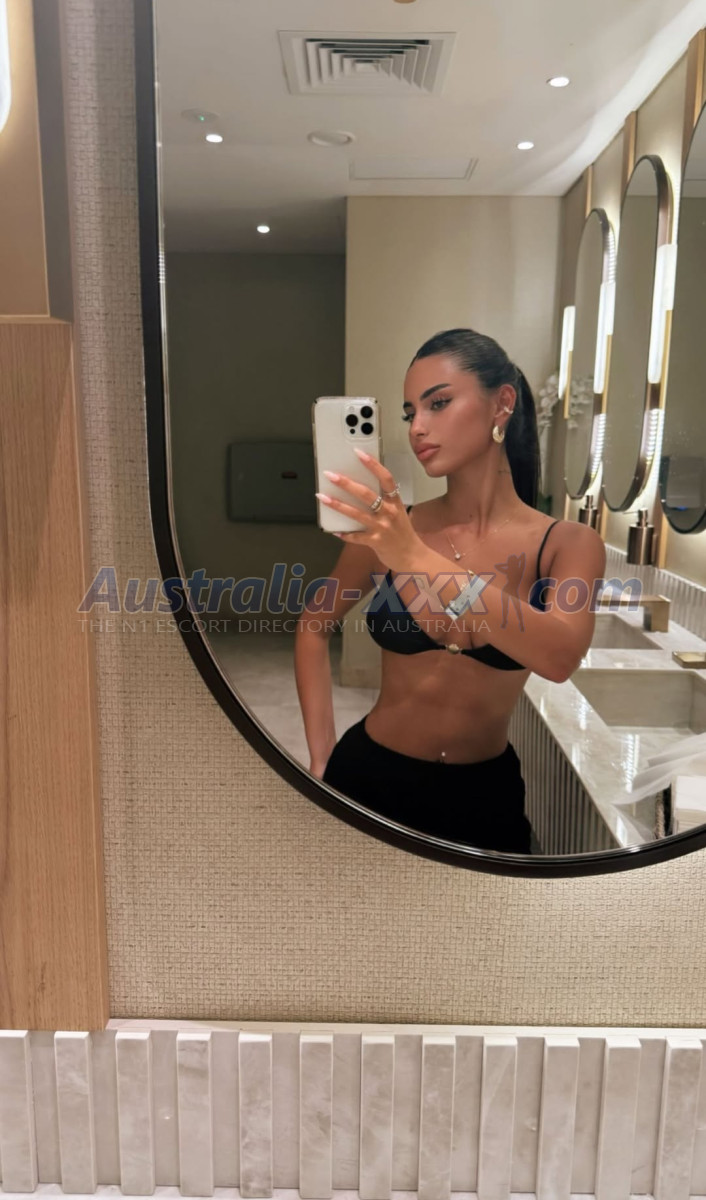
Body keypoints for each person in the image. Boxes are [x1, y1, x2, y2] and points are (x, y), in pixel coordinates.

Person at [294, 329, 606, 853]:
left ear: (501, 403)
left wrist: (416, 559)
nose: (418, 427)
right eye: (409, 412)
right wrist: (321, 755)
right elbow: (313, 626)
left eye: (438, 403)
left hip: (483, 798)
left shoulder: (567, 544)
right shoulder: (391, 530)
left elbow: (559, 657)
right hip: (368, 779)